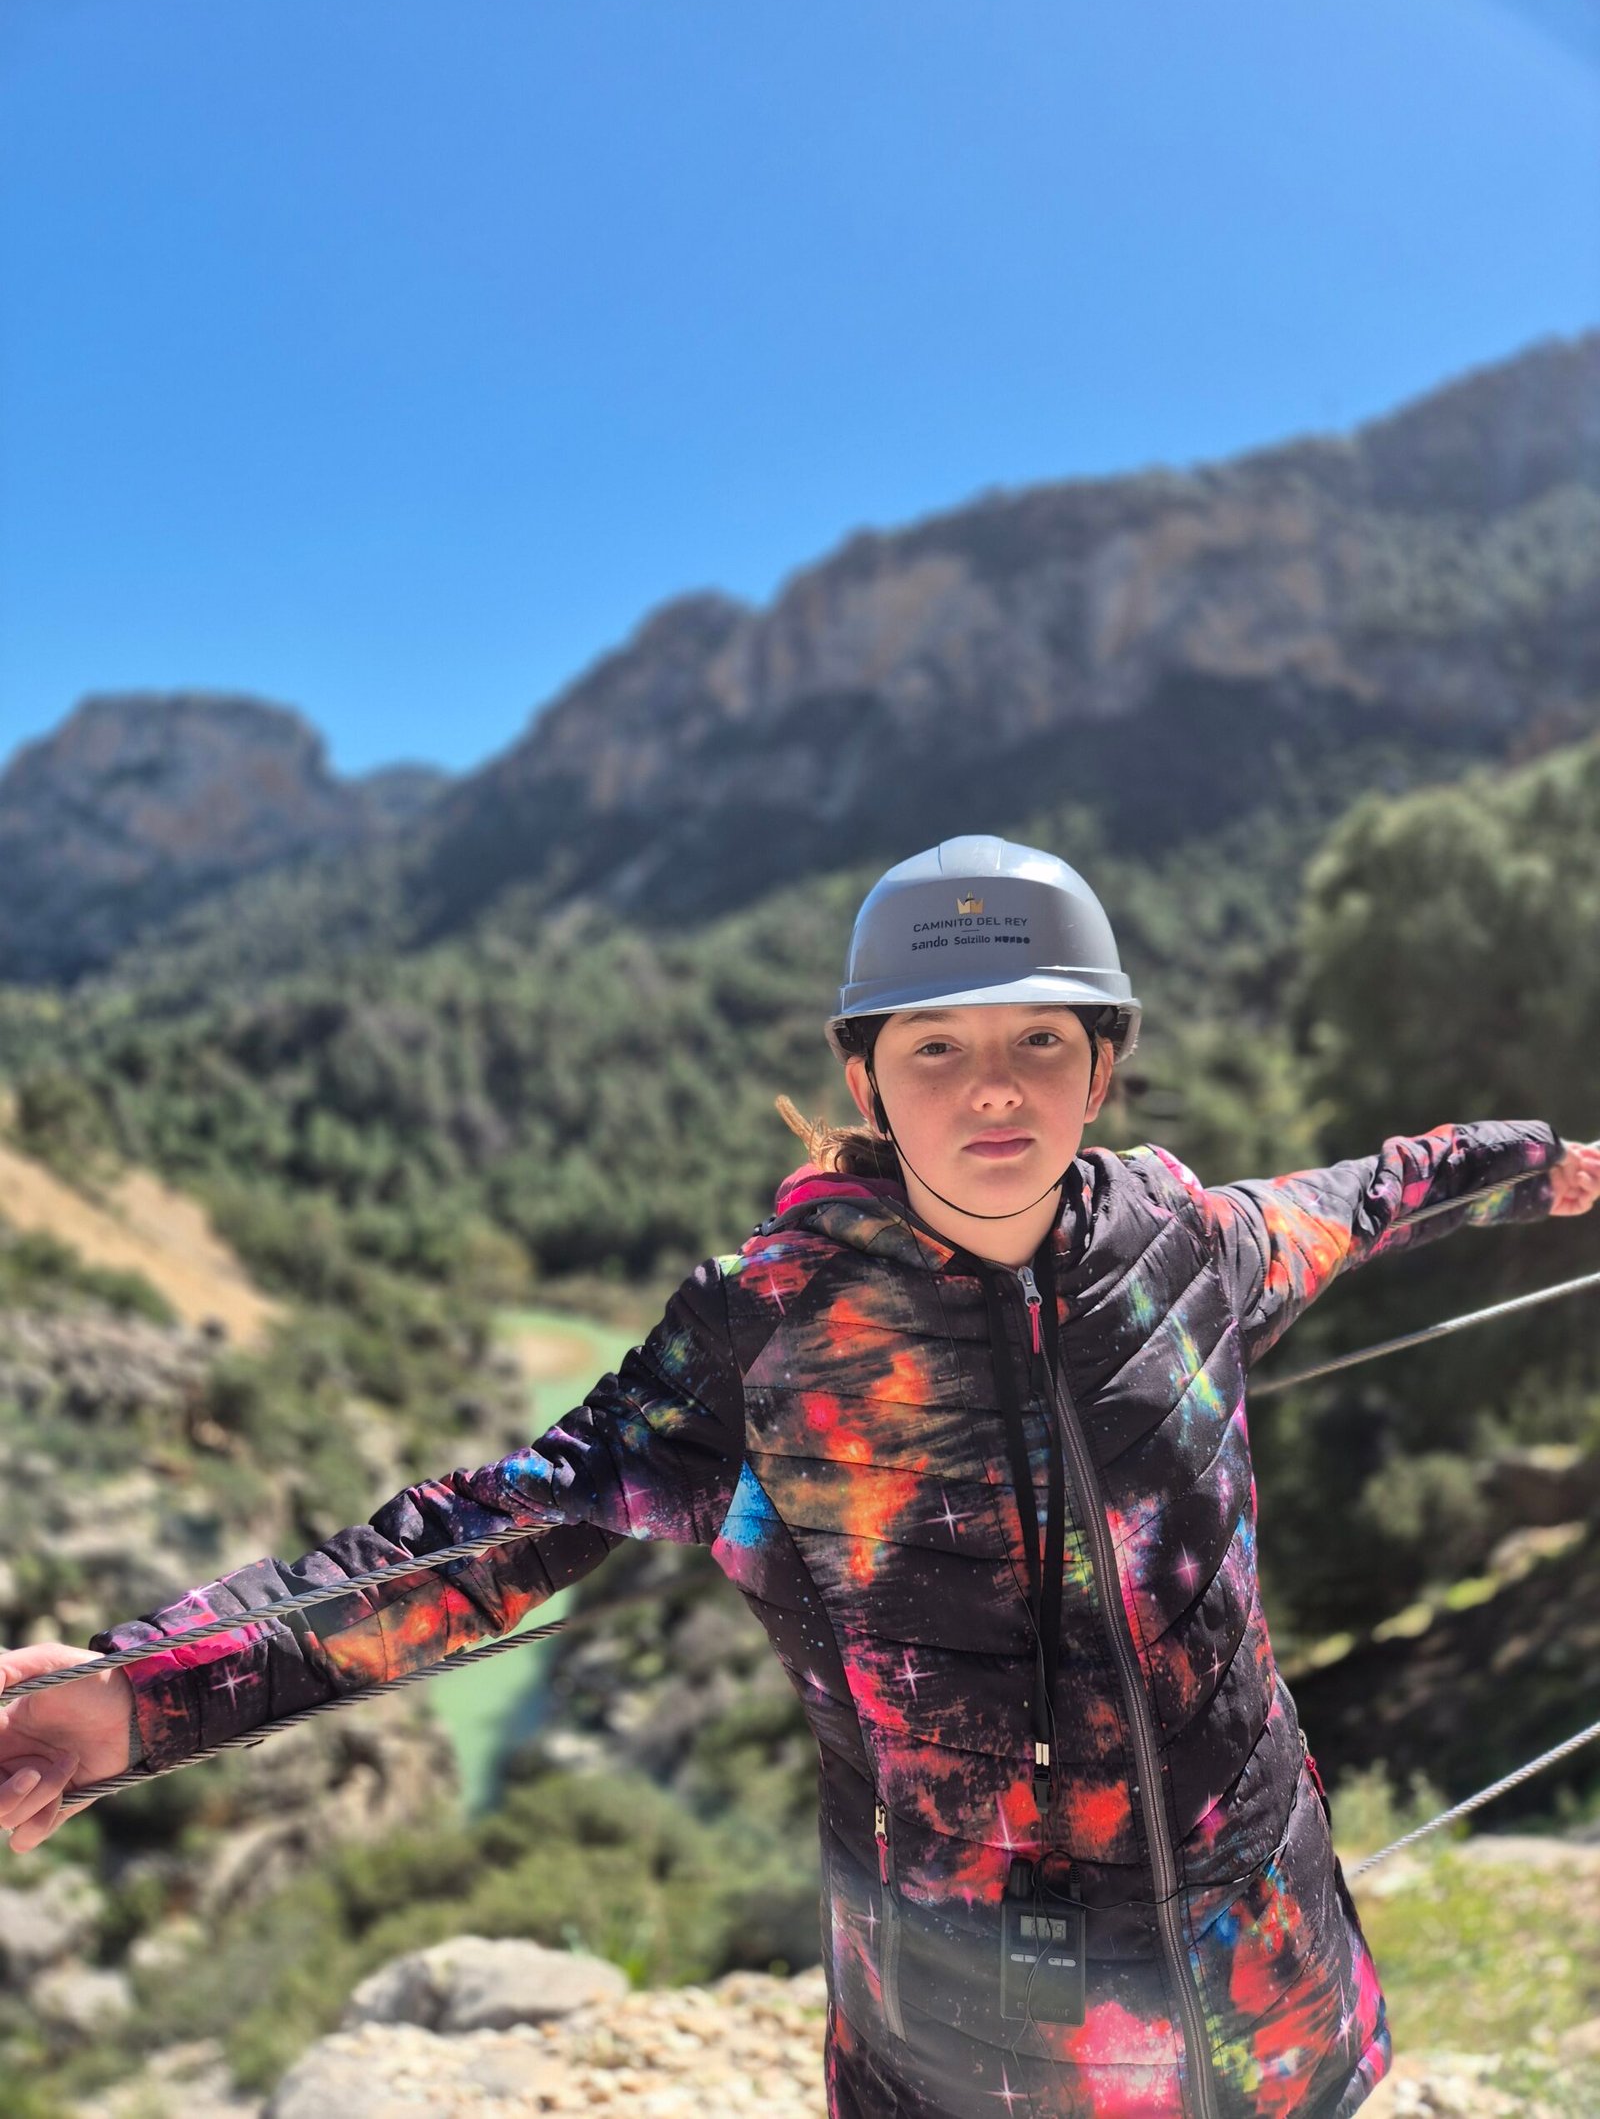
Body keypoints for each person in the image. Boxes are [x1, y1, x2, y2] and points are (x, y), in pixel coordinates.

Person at [2, 832, 1597, 2119]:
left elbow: (1381, 1189)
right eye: (939, 1045)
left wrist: (1552, 1161)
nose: (994, 1088)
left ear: (1100, 1066)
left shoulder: (1186, 1235)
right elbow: (486, 1539)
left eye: (1044, 1040)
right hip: (981, 2040)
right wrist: (142, 1692)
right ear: (868, 1077)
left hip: (1267, 1976)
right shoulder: (767, 1326)